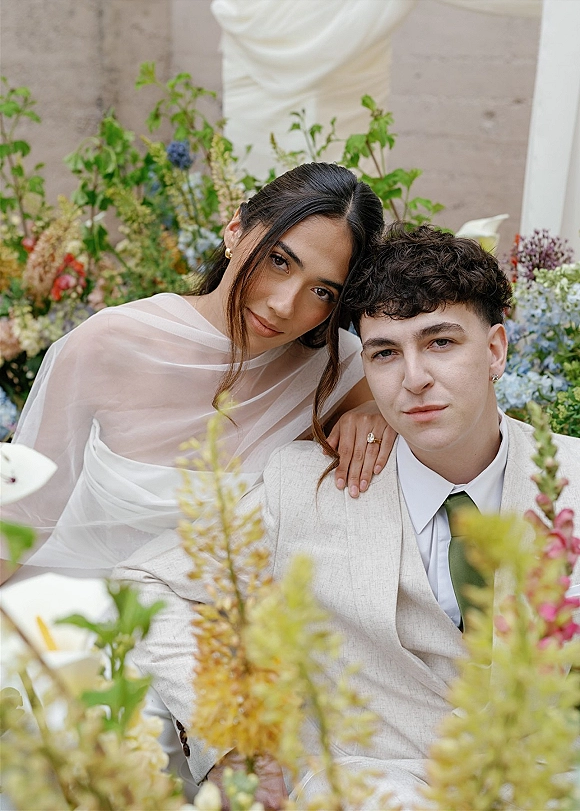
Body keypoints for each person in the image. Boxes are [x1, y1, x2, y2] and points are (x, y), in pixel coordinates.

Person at [116, 224, 580, 809]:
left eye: (440, 342)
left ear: (495, 350)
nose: (414, 378)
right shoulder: (306, 486)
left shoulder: (569, 477)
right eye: (386, 353)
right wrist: (232, 738)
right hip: (366, 786)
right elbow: (149, 582)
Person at [0, 162, 391, 586]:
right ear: (235, 229)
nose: (284, 304)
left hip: (224, 616)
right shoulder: (109, 344)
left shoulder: (342, 371)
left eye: (321, 291)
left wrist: (377, 412)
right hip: (77, 596)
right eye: (278, 261)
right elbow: (23, 511)